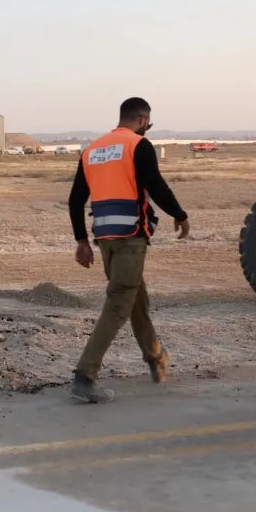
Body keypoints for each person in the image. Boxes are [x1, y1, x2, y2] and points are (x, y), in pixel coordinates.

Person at [67, 97, 189, 403]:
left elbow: (75, 199)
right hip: (131, 238)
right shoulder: (138, 146)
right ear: (143, 119)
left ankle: (156, 357)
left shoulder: (92, 150)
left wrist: (82, 241)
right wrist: (180, 214)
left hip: (106, 240)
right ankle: (85, 376)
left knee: (136, 300)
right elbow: (155, 184)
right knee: (119, 305)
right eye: (148, 123)